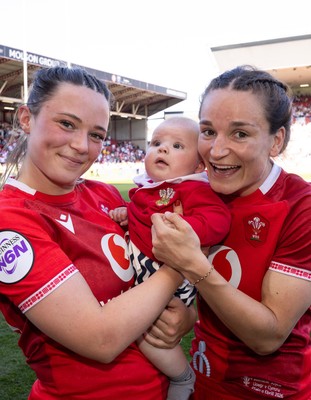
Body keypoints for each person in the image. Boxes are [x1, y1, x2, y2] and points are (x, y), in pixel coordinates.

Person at [0, 66, 196, 400]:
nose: (80, 145)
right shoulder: (10, 218)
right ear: (26, 119)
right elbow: (100, 339)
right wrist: (182, 264)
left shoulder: (104, 195)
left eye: (96, 135)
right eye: (66, 123)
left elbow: (149, 277)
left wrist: (187, 316)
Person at [150, 65, 311, 399]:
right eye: (208, 132)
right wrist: (189, 316)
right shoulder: (195, 192)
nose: (216, 151)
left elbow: (269, 336)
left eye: (240, 134)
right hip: (203, 380)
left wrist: (193, 265)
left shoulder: (299, 207)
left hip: (272, 390)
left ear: (276, 140)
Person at [110, 116, 231, 400]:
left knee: (148, 334)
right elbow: (142, 213)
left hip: (171, 278)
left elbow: (219, 219)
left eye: (176, 146)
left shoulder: (194, 188)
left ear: (198, 166)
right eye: (156, 143)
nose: (162, 150)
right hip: (146, 272)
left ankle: (182, 377)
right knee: (135, 327)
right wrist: (126, 212)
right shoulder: (144, 190)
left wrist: (188, 231)